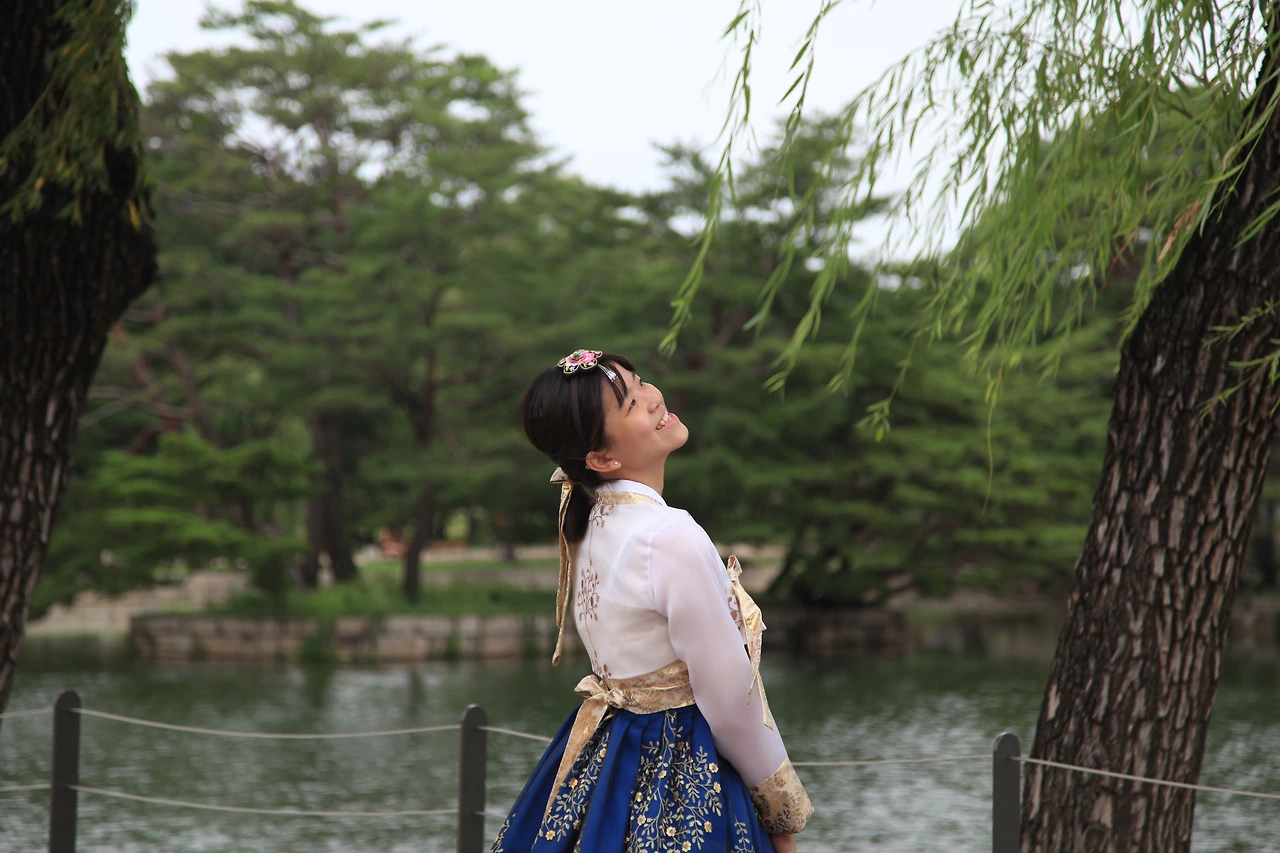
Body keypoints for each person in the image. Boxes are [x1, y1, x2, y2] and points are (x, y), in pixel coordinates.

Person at [490, 349, 813, 853]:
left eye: (640, 383)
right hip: (684, 764)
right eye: (632, 402)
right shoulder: (669, 536)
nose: (654, 397)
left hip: (607, 756)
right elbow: (732, 705)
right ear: (602, 459)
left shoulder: (587, 524)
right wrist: (781, 815)